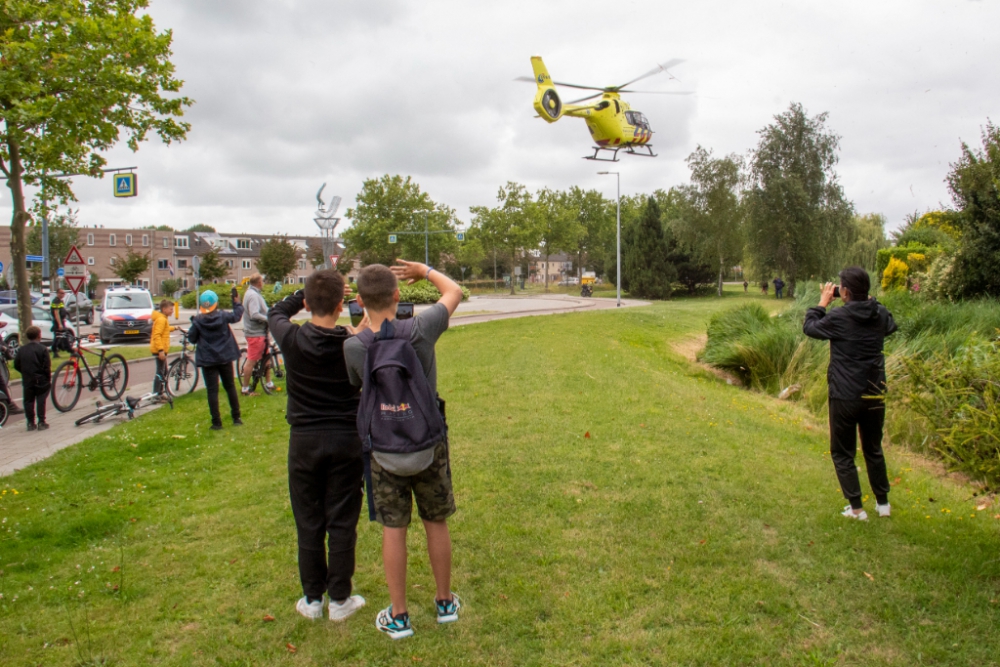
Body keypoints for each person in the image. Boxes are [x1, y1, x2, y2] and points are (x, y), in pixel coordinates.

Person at [344, 259, 463, 640]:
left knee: (394, 530)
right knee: (435, 522)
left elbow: (356, 383)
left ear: (360, 301)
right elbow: (454, 292)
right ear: (399, 295)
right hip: (428, 443)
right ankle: (445, 603)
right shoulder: (420, 330)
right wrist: (425, 270)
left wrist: (361, 329)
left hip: (383, 449)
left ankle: (399, 616)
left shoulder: (353, 346)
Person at [268, 269, 368, 622]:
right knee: (342, 519)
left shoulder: (293, 339)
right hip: (345, 438)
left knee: (308, 520)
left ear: (308, 303)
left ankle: (312, 598)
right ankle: (340, 598)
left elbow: (274, 313)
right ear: (342, 304)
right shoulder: (353, 342)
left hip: (305, 441)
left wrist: (301, 294)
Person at [803, 267, 897, 521]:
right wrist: (869, 302)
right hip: (875, 391)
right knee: (873, 447)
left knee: (843, 451)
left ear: (844, 292)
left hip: (845, 393)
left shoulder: (840, 318)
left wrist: (822, 302)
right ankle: (883, 504)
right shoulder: (879, 313)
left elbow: (810, 327)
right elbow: (890, 325)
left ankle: (856, 508)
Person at [188, 289, 244, 431]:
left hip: (208, 359)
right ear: (216, 303)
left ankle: (216, 422)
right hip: (225, 357)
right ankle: (236, 417)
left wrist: (193, 325)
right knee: (230, 386)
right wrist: (236, 302)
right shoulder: (223, 316)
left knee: (212, 391)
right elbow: (236, 316)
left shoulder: (198, 321)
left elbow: (192, 339)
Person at [241, 274, 274, 395]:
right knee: (252, 361)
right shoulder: (253, 295)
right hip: (255, 333)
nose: (263, 283)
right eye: (262, 281)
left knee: (267, 359)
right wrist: (268, 319)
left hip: (261, 332)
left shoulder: (254, 293)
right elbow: (254, 314)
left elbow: (263, 309)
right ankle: (245, 389)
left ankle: (269, 383)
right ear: (259, 283)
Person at [13, 326, 51, 431]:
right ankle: (41, 421)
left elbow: (16, 364)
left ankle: (30, 422)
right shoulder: (42, 349)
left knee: (28, 401)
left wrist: (24, 372)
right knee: (41, 399)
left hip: (27, 379)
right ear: (39, 335)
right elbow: (47, 366)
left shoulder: (22, 350)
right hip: (40, 378)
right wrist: (47, 378)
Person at [150, 299, 175, 397]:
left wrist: (175, 328)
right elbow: (157, 335)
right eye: (171, 309)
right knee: (160, 372)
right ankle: (156, 394)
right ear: (164, 309)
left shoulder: (163, 318)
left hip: (161, 349)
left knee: (163, 371)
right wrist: (161, 350)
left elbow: (165, 328)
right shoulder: (161, 319)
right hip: (159, 350)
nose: (172, 311)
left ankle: (159, 393)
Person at [50, 288, 68, 357]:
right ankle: (55, 350)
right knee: (58, 336)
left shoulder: (60, 301)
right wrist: (60, 324)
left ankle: (61, 349)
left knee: (62, 336)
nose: (63, 294)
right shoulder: (56, 301)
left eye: (64, 293)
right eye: (61, 293)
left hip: (61, 321)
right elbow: (56, 313)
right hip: (58, 322)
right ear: (57, 293)